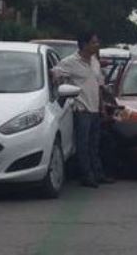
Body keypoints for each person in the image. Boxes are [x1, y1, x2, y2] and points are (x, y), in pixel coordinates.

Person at [52, 31, 108, 188]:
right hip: (81, 108)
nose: (97, 45)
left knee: (94, 144)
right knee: (82, 145)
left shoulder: (95, 61)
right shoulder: (70, 62)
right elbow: (55, 73)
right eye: (94, 42)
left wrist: (102, 107)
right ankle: (86, 176)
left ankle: (98, 173)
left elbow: (99, 86)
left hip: (95, 107)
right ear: (84, 44)